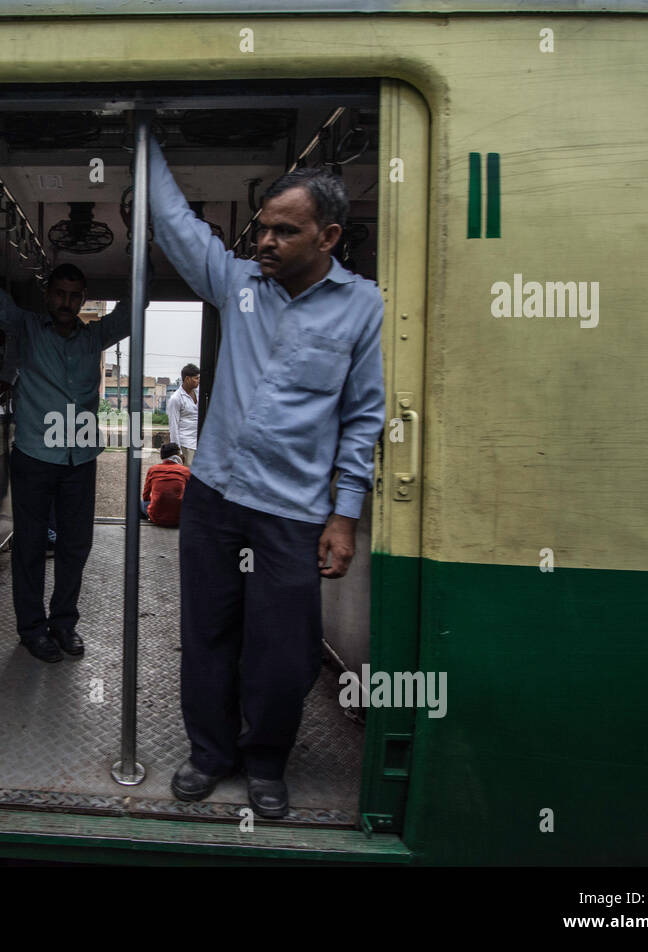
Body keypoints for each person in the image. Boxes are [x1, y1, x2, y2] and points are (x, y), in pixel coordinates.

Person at [148, 137, 385, 819]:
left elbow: (363, 416)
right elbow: (174, 223)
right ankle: (210, 753)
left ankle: (266, 760)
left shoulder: (361, 309)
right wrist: (146, 132)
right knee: (208, 634)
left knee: (285, 655)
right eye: (262, 229)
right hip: (216, 500)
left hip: (292, 512)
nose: (267, 242)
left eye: (286, 230)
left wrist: (344, 515)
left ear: (328, 236)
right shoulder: (237, 284)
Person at [0, 177, 147, 663]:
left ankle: (64, 624)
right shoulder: (25, 327)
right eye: (59, 293)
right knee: (28, 550)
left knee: (76, 549)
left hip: (80, 459)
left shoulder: (94, 338)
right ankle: (31, 628)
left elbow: (137, 303)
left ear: (83, 296)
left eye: (74, 294)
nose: (66, 301)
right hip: (34, 458)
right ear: (48, 296)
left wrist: (132, 238)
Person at [139, 442, 190, 527]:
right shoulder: (186, 471)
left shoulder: (153, 470)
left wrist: (157, 497)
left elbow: (145, 497)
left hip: (156, 518)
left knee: (139, 503)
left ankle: (144, 527)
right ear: (178, 455)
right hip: (179, 519)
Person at [166, 363, 200, 467]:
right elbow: (173, 426)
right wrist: (178, 451)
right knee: (186, 478)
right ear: (187, 379)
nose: (199, 380)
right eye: (196, 378)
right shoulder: (176, 399)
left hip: (198, 443)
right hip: (186, 445)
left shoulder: (199, 393)